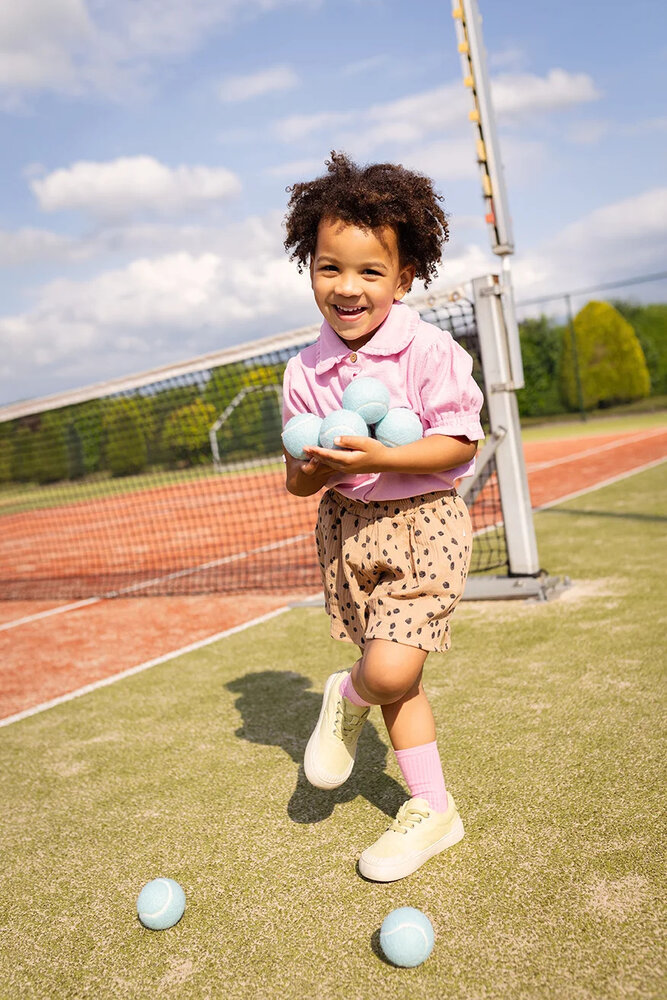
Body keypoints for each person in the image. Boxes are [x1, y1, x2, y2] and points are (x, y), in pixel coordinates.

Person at [281, 151, 484, 882]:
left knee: (387, 668)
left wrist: (375, 456)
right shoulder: (304, 371)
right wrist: (316, 469)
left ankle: (346, 695)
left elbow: (459, 439)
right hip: (347, 531)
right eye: (330, 267)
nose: (348, 286)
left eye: (370, 272)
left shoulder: (427, 349)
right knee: (403, 683)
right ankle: (432, 810)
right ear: (310, 267)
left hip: (425, 522)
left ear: (403, 278)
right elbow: (297, 482)